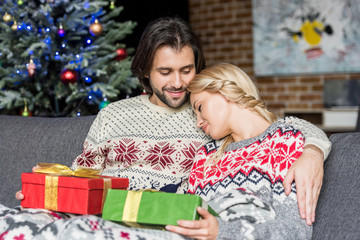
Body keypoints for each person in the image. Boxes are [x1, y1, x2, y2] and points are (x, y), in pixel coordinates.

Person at [13, 16, 329, 229]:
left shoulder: (210, 119)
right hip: (106, 219)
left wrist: (313, 151)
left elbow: (273, 129)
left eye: (187, 70)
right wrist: (47, 196)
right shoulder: (113, 115)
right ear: (146, 72)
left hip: (163, 226)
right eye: (165, 72)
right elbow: (81, 179)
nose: (178, 83)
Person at [167, 63, 313, 239]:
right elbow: (187, 218)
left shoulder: (283, 141)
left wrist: (223, 232)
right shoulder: (206, 156)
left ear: (225, 93)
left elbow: (295, 231)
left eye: (200, 108)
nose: (198, 122)